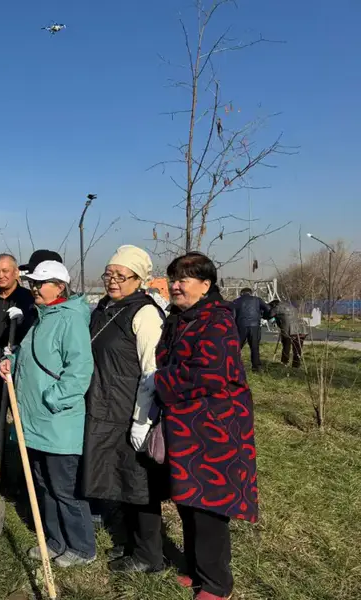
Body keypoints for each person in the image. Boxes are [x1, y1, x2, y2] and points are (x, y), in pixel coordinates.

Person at [155, 252, 258, 600]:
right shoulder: (180, 318)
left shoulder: (217, 321)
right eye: (173, 278)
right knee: (188, 500)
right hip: (186, 425)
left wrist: (159, 381)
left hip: (215, 428)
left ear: (205, 284)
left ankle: (217, 583)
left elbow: (209, 374)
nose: (175, 285)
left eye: (183, 279)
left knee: (209, 505)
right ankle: (196, 568)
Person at [0, 260, 96, 568]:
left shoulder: (70, 319)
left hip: (57, 422)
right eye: (33, 283)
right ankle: (55, 541)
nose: (35, 288)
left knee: (64, 489)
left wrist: (53, 399)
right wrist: (11, 363)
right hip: (36, 422)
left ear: (60, 287)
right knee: (43, 485)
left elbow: (79, 370)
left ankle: (82, 548)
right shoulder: (43, 317)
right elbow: (34, 357)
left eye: (41, 283)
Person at [82, 245, 166, 574]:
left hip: (131, 409)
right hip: (104, 406)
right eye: (109, 274)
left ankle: (150, 556)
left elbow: (151, 370)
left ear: (139, 279)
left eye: (121, 275)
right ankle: (130, 541)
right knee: (118, 480)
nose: (112, 280)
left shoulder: (145, 314)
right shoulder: (105, 309)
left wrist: (142, 420)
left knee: (138, 484)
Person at [0, 253, 35, 481]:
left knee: (23, 427)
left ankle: (24, 478)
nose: (1, 275)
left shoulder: (27, 298)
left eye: (5, 271)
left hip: (20, 370)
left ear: (16, 273)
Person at [232, 287, 270, 372]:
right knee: (254, 347)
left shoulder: (236, 301)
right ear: (251, 293)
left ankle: (232, 365)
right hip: (255, 326)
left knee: (237, 347)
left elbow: (232, 314)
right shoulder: (257, 300)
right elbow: (268, 308)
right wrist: (264, 316)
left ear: (241, 294)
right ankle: (256, 367)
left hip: (241, 326)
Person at [269, 300, 309, 368]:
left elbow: (269, 315)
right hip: (301, 329)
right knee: (297, 349)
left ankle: (284, 363)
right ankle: (296, 365)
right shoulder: (291, 306)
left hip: (288, 330)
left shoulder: (277, 308)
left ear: (273, 305)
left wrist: (275, 321)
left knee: (286, 346)